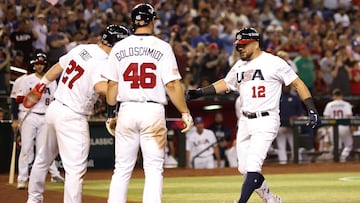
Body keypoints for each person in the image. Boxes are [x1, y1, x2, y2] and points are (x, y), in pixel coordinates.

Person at [186, 27, 321, 203]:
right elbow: (226, 83)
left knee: (252, 167)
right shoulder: (240, 65)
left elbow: (297, 83)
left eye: (243, 44)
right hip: (245, 121)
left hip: (266, 120)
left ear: (255, 43)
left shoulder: (273, 62)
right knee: (243, 168)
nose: (240, 48)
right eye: (238, 45)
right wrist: (200, 92)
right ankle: (271, 199)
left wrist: (311, 108)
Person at [26, 25, 129, 203]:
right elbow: (100, 87)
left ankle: (33, 200)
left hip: (55, 109)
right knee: (75, 170)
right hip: (73, 116)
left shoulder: (82, 48)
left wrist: (41, 84)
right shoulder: (104, 62)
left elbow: (58, 67)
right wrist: (125, 89)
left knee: (42, 159)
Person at [102, 3, 193, 203]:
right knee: (153, 169)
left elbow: (111, 86)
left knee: (122, 169)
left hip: (126, 109)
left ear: (133, 22)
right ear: (153, 20)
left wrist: (111, 114)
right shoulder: (162, 47)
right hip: (152, 111)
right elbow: (172, 85)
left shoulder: (119, 47)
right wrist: (184, 112)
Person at [13, 52, 64, 190]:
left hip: (46, 116)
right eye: (37, 64)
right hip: (30, 115)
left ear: (45, 65)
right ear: (33, 65)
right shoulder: (26, 80)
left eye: (41, 64)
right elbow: (18, 98)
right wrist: (30, 98)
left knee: (43, 150)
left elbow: (56, 98)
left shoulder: (51, 81)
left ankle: (39, 178)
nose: (39, 66)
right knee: (26, 147)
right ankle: (22, 178)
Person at [323, 88, 353, 162]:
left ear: (334, 96)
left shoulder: (329, 104)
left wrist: (327, 129)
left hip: (332, 127)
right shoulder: (346, 104)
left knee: (336, 146)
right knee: (349, 145)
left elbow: (326, 118)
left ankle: (334, 160)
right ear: (341, 96)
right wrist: (351, 128)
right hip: (344, 127)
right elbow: (349, 117)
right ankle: (343, 157)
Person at [276, 85, 304, 164]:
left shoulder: (295, 97)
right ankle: (283, 164)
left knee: (294, 145)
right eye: (284, 86)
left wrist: (297, 116)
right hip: (281, 126)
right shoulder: (277, 97)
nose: (286, 88)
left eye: (287, 86)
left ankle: (298, 163)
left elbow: (301, 112)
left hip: (293, 127)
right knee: (281, 146)